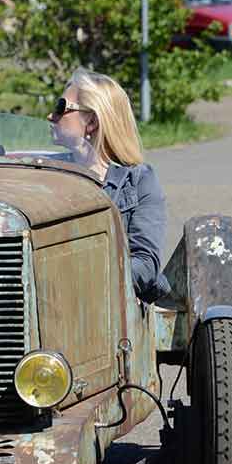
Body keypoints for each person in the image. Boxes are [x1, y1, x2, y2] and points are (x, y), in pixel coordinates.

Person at [47, 67, 170, 303]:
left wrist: (84, 280)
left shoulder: (139, 181)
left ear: (91, 121)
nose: (51, 116)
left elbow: (145, 263)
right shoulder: (45, 171)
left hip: (109, 311)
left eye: (61, 108)